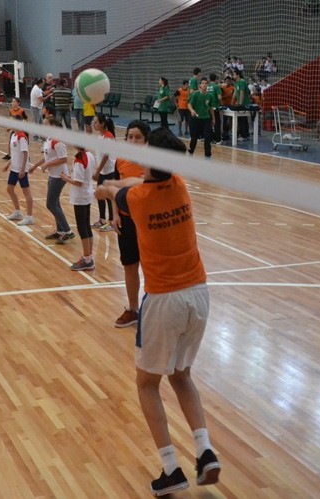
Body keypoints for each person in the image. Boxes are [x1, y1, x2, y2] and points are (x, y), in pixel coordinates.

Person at [95, 128, 220, 496]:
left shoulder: (135, 199)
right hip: (199, 293)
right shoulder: (179, 185)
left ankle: (170, 469)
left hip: (165, 300)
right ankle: (205, 451)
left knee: (147, 383)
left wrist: (103, 185)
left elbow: (112, 190)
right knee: (182, 376)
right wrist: (122, 179)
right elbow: (134, 179)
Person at [103, 119, 149, 328]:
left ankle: (154, 310)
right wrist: (115, 214)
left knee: (151, 268)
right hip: (125, 219)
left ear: (146, 140)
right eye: (130, 136)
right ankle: (133, 309)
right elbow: (115, 190)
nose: (133, 140)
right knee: (129, 266)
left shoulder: (152, 163)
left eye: (138, 137)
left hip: (147, 222)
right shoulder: (120, 160)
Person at [29, 115, 74, 244]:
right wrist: (36, 166)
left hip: (60, 176)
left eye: (46, 124)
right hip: (53, 175)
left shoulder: (57, 141)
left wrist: (47, 165)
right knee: (55, 203)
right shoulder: (49, 139)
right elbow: (47, 157)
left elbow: (63, 159)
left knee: (50, 204)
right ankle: (60, 231)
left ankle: (67, 231)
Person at [62, 145, 95, 271]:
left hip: (80, 196)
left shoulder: (80, 159)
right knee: (86, 225)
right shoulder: (90, 155)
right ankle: (89, 256)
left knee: (82, 227)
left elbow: (78, 182)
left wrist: (66, 178)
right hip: (87, 193)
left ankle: (87, 259)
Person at [2, 114, 34, 226]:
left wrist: (22, 169)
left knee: (27, 193)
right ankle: (18, 212)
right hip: (14, 168)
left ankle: (29, 216)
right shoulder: (14, 135)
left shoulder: (21, 136)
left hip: (21, 169)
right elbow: (15, 153)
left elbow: (25, 153)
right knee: (9, 189)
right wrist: (8, 163)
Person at [92, 113, 117, 231]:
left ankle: (112, 222)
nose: (94, 124)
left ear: (102, 124)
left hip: (109, 171)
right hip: (103, 171)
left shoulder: (108, 136)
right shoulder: (100, 136)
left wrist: (98, 170)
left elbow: (106, 156)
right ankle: (102, 219)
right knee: (100, 195)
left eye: (96, 122)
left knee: (109, 196)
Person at [188, 78, 216, 158]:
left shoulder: (210, 96)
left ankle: (208, 155)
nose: (204, 84)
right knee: (194, 137)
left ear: (207, 85)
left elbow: (211, 108)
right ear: (200, 85)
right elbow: (189, 105)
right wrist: (192, 110)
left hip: (206, 119)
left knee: (207, 137)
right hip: (196, 119)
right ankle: (191, 151)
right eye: (203, 83)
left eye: (206, 83)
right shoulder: (195, 94)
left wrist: (213, 119)